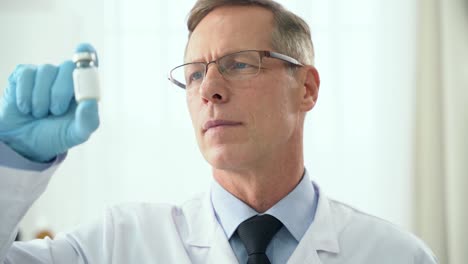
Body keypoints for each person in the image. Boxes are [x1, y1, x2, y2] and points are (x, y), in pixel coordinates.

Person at [0, 0, 438, 263]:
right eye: (193, 75)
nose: (209, 89)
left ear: (305, 88)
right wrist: (13, 161)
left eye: (240, 63)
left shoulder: (396, 255)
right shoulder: (120, 242)